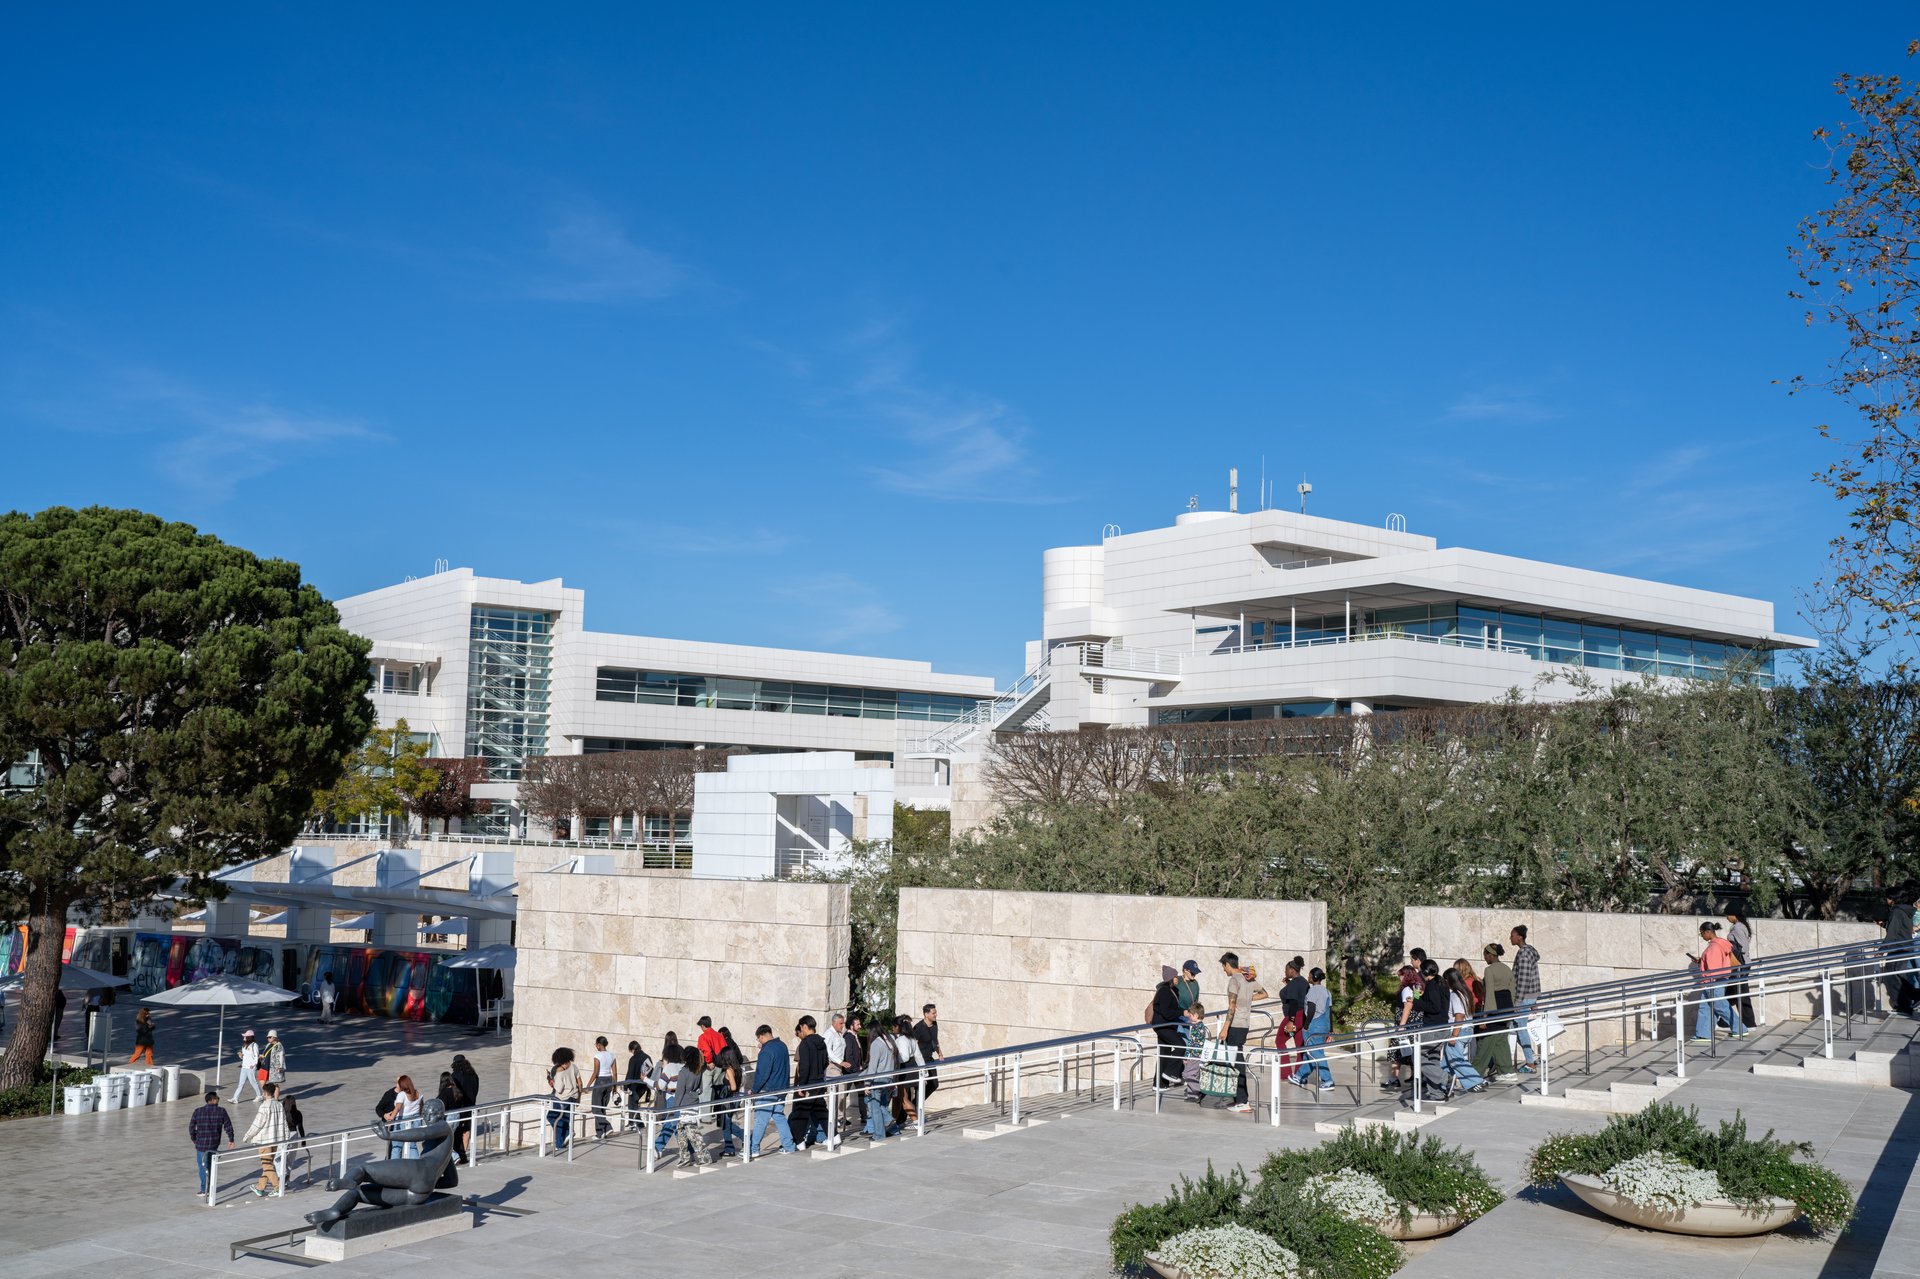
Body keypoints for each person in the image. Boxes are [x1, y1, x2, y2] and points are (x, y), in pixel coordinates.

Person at [1217, 952, 1267, 1113]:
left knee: (1237, 1063)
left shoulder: (1234, 980)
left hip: (1235, 1025)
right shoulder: (1248, 978)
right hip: (1245, 1025)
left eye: (1223, 967)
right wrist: (1248, 1001)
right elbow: (1264, 993)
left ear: (1227, 964)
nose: (1224, 970)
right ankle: (1239, 1099)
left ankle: (1242, 1100)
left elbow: (1231, 1006)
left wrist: (1224, 1028)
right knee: (1237, 1060)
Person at [1689, 921, 1747, 1043]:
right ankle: (1704, 1034)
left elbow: (1715, 968)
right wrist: (1702, 961)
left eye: (1702, 933)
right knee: (1705, 1007)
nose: (1702, 936)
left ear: (1708, 932)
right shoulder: (1720, 944)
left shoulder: (1714, 947)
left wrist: (1708, 977)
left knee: (1721, 1006)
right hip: (1715, 981)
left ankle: (1740, 1028)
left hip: (1714, 981)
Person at [749, 1024, 798, 1155]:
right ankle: (789, 1146)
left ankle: (752, 1150)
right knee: (779, 1117)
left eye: (758, 1039)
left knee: (760, 1120)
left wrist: (754, 1090)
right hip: (781, 1089)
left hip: (768, 1090)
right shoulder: (782, 1046)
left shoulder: (766, 1051)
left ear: (761, 1036)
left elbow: (762, 1074)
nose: (758, 1042)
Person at [1472, 943, 1517, 1081]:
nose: (1484, 958)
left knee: (1486, 1039)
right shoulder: (1506, 969)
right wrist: (1511, 1009)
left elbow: (1490, 994)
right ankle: (1507, 1071)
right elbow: (1512, 991)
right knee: (1501, 1039)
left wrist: (1485, 1018)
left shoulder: (1489, 970)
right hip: (1507, 1007)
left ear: (1491, 955)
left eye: (1485, 955)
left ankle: (1474, 1075)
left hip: (1494, 1008)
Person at [1440, 970, 1488, 1095]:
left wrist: (1454, 1035)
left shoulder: (1456, 995)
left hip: (1458, 1031)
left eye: (1445, 980)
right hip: (1466, 1030)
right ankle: (1442, 1086)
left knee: (1456, 1060)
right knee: (1446, 1062)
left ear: (1449, 981)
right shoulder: (1466, 993)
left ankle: (1476, 1081)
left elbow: (1459, 1016)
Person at [1290, 968, 1336, 1092]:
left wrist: (1306, 1025)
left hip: (1314, 1025)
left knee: (1316, 1053)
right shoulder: (1327, 991)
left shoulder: (1313, 991)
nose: (1308, 977)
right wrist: (1330, 1029)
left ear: (1314, 977)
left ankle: (1328, 1080)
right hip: (1324, 1024)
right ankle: (1300, 1076)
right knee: (1310, 1053)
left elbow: (1311, 1008)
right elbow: (1330, 1011)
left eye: (1310, 975)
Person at [243, 1081, 289, 1198]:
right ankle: (260, 1187)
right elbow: (284, 1123)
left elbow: (257, 1124)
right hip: (276, 1140)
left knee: (267, 1165)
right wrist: (286, 1138)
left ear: (265, 1093)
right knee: (267, 1165)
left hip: (265, 1141)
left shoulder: (264, 1106)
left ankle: (278, 1187)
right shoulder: (279, 1105)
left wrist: (247, 1136)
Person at [189, 1088, 236, 1198]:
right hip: (214, 1143)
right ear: (213, 1100)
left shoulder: (198, 1111)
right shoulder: (221, 1111)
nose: (218, 1100)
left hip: (201, 1144)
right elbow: (228, 1126)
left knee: (202, 1167)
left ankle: (204, 1189)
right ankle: (210, 1187)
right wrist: (231, 1139)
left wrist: (195, 1139)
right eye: (217, 1098)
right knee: (211, 1165)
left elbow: (191, 1128)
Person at [791, 1015, 829, 1147]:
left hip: (809, 1083)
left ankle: (798, 1142)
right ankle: (834, 1136)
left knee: (800, 1113)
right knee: (821, 1110)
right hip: (819, 1081)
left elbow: (804, 1066)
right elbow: (825, 1062)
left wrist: (802, 1085)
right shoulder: (822, 1042)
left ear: (805, 1027)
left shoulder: (805, 1044)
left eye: (801, 1027)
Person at [1510, 925, 1542, 1073]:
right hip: (1530, 996)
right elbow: (1534, 977)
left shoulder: (1523, 955)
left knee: (1519, 1029)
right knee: (1514, 1028)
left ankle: (1530, 1063)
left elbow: (1523, 979)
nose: (1510, 938)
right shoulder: (1530, 951)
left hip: (1523, 998)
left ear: (1519, 937)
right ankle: (1531, 1058)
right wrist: (1534, 999)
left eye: (1512, 935)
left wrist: (1518, 1000)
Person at [650, 1043, 689, 1162]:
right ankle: (657, 1147)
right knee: (670, 1123)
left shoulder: (669, 1067)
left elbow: (661, 1085)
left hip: (672, 1099)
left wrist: (646, 1080)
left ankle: (687, 1150)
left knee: (675, 1125)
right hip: (682, 1098)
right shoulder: (683, 1066)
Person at [1150, 965, 1186, 1089]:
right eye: (1176, 977)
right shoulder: (1164, 991)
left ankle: (1159, 1084)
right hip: (1162, 1025)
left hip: (1167, 1025)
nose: (1178, 979)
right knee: (1181, 1045)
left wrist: (1184, 1011)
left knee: (1164, 1053)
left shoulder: (1172, 990)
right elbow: (1166, 1012)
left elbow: (1173, 1009)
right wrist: (1182, 1013)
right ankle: (1170, 1072)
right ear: (1170, 978)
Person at [863, 1018, 899, 1140]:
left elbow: (873, 1066)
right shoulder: (890, 1041)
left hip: (878, 1079)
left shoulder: (876, 1044)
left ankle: (879, 1134)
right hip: (889, 1078)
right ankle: (893, 1129)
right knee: (882, 1105)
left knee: (875, 1107)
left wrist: (867, 1083)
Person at [1882, 886, 1917, 1015]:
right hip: (1905, 947)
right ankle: (1913, 997)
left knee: (1891, 976)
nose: (1886, 900)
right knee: (1898, 975)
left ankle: (1904, 1005)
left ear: (1893, 899)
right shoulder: (1904, 911)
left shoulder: (1896, 911)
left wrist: (1882, 950)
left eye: (1888, 897)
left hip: (1898, 948)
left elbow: (1892, 934)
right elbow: (1901, 928)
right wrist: (1884, 923)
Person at [1386, 965, 1421, 1090]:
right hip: (1415, 1023)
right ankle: (1417, 1077)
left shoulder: (1406, 989)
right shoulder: (1417, 986)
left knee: (1395, 1051)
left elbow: (1408, 1006)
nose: (1399, 978)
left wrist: (1401, 1026)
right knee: (1412, 1051)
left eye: (1401, 975)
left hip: (1405, 1024)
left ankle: (1394, 1078)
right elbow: (1417, 1003)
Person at [1725, 909, 1758, 1030]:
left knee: (1740, 993)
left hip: (1740, 964)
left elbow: (1743, 947)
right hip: (1741, 963)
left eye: (1728, 914)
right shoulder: (1740, 926)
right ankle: (1723, 1021)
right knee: (1731, 992)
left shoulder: (1738, 927)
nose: (1727, 918)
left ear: (1734, 914)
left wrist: (1729, 948)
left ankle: (1749, 1023)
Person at [714, 1032, 746, 1156]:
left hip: (729, 1099)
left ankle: (731, 1147)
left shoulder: (728, 1069)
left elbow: (732, 1086)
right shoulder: (737, 1068)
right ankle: (734, 1144)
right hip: (736, 1098)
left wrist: (724, 1089)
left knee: (726, 1124)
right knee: (726, 1123)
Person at [1276, 958, 1309, 1071]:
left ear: (1292, 970)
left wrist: (1291, 1021)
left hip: (1294, 1015)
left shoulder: (1294, 984)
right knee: (1300, 1045)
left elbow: (1294, 1002)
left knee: (1279, 1041)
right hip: (1302, 1016)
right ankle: (1300, 1074)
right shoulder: (1303, 982)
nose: (1285, 972)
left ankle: (1286, 1073)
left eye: (1286, 970)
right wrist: (1289, 985)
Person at [547, 1047, 582, 1152]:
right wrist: (579, 1098)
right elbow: (580, 1083)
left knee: (552, 1117)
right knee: (565, 1119)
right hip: (573, 1098)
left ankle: (567, 1133)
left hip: (561, 1099)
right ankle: (560, 1144)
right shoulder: (574, 1067)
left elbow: (558, 1088)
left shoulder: (559, 1070)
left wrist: (550, 1079)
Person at [893, 1014, 924, 1127]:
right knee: (900, 1098)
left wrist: (894, 1059)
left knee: (903, 1098)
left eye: (894, 1026)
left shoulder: (901, 1039)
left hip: (904, 1069)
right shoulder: (911, 1039)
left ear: (898, 1026)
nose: (893, 1028)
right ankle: (896, 1122)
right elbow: (918, 1056)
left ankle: (916, 1121)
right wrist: (923, 1070)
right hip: (913, 1068)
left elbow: (904, 1057)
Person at [911, 1004, 943, 1103]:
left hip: (929, 1059)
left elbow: (935, 1041)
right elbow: (912, 1044)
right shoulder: (918, 1027)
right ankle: (916, 1109)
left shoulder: (935, 1025)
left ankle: (915, 1103)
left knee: (934, 1084)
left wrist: (940, 1054)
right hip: (919, 1061)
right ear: (926, 1014)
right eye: (933, 1013)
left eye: (935, 1012)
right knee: (919, 1087)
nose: (935, 1015)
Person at [587, 1034, 618, 1138]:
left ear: (599, 1045)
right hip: (609, 1081)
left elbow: (595, 1072)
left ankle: (608, 1127)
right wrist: (614, 1087)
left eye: (596, 1044)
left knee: (596, 1108)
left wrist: (588, 1085)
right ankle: (601, 1133)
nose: (596, 1046)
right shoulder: (612, 1055)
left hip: (600, 1081)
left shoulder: (597, 1056)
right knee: (602, 1108)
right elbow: (615, 1073)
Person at [450, 1053, 480, 1158]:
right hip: (470, 1106)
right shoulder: (474, 1075)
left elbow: (453, 1093)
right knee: (467, 1131)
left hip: (458, 1107)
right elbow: (475, 1091)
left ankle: (455, 1155)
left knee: (456, 1131)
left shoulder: (454, 1076)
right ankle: (463, 1155)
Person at [387, 1075, 424, 1158]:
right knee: (412, 1145)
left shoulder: (402, 1095)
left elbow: (397, 1108)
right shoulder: (418, 1093)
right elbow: (422, 1108)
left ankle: (395, 1167)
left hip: (402, 1121)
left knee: (397, 1146)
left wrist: (390, 1119)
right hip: (415, 1120)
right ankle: (415, 1166)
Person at [1180, 1001, 1208, 1100]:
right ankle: (1192, 1094)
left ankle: (1199, 1090)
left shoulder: (1196, 1027)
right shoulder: (1202, 1026)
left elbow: (1192, 1043)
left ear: (1196, 1015)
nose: (1189, 1018)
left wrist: (1186, 1056)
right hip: (1199, 1054)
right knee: (1193, 1074)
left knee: (1187, 1073)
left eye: (1191, 1016)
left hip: (1194, 1055)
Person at [280, 1091, 308, 1185]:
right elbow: (300, 1128)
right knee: (290, 1159)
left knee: (282, 1157)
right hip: (295, 1135)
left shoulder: (282, 1114)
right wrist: (303, 1141)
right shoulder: (298, 1113)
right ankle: (286, 1180)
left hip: (284, 1135)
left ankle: (281, 1178)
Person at [622, 1038, 654, 1119]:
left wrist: (625, 1086)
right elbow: (651, 1071)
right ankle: (638, 1124)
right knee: (636, 1105)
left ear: (633, 1050)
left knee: (632, 1105)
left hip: (635, 1087)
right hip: (644, 1085)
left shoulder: (633, 1059)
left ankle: (634, 1123)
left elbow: (630, 1074)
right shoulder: (647, 1057)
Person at [234, 1029, 262, 1102]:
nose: (244, 1038)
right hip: (244, 1066)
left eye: (245, 1036)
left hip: (251, 1067)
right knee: (241, 1083)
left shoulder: (254, 1045)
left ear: (249, 1037)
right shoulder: (244, 1045)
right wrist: (240, 1055)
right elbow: (243, 1057)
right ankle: (235, 1098)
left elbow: (256, 1056)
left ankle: (259, 1095)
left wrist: (253, 1065)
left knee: (253, 1082)